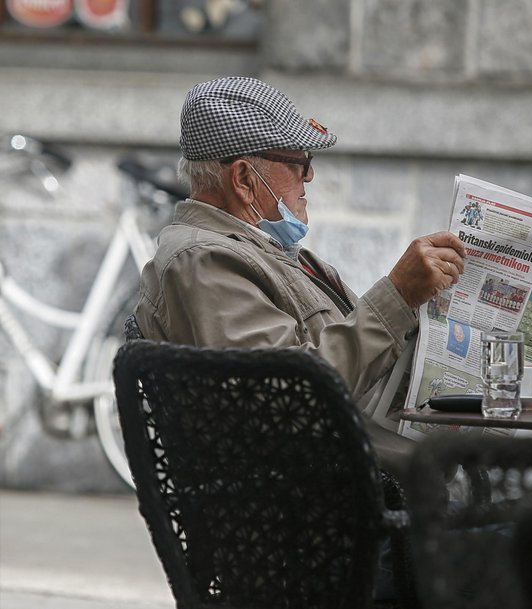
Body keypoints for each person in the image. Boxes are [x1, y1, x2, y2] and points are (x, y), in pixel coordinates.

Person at [134, 76, 466, 478]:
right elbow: (287, 393)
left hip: (380, 476)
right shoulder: (203, 261)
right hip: (342, 504)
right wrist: (398, 296)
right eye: (299, 163)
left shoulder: (262, 251)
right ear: (243, 179)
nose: (309, 177)